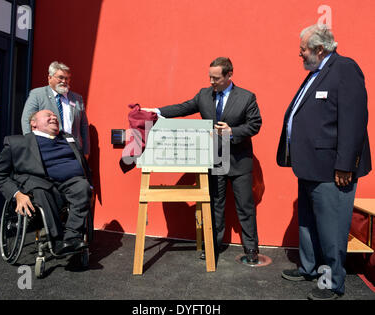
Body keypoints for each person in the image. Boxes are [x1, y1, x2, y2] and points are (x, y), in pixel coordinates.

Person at [276, 24, 371, 300]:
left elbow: (354, 122)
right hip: (309, 166)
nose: (300, 55)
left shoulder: (344, 69)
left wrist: (346, 164)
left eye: (303, 50)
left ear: (319, 49)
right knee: (307, 223)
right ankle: (309, 268)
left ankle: (330, 283)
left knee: (331, 229)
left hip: (333, 169)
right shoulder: (316, 73)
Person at [143, 57, 262, 263]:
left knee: (245, 207)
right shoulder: (204, 95)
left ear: (229, 75)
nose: (211, 82)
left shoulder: (246, 97)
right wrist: (158, 112)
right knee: (215, 205)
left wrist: (232, 131)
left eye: (216, 78)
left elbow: (255, 125)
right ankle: (213, 245)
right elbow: (183, 107)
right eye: (209, 77)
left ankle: (251, 249)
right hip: (214, 160)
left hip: (239, 162)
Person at [0, 110, 92, 255]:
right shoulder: (17, 143)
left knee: (82, 186)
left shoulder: (69, 139)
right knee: (41, 190)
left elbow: (84, 165)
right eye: (48, 116)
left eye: (55, 116)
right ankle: (56, 241)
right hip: (41, 186)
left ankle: (72, 238)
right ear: (33, 123)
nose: (53, 118)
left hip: (70, 183)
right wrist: (17, 194)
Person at [21, 61, 90, 157]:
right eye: (61, 77)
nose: (64, 81)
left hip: (73, 150)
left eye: (67, 78)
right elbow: (27, 120)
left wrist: (86, 151)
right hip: (48, 148)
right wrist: (30, 147)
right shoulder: (37, 94)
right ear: (49, 78)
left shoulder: (77, 98)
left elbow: (83, 126)